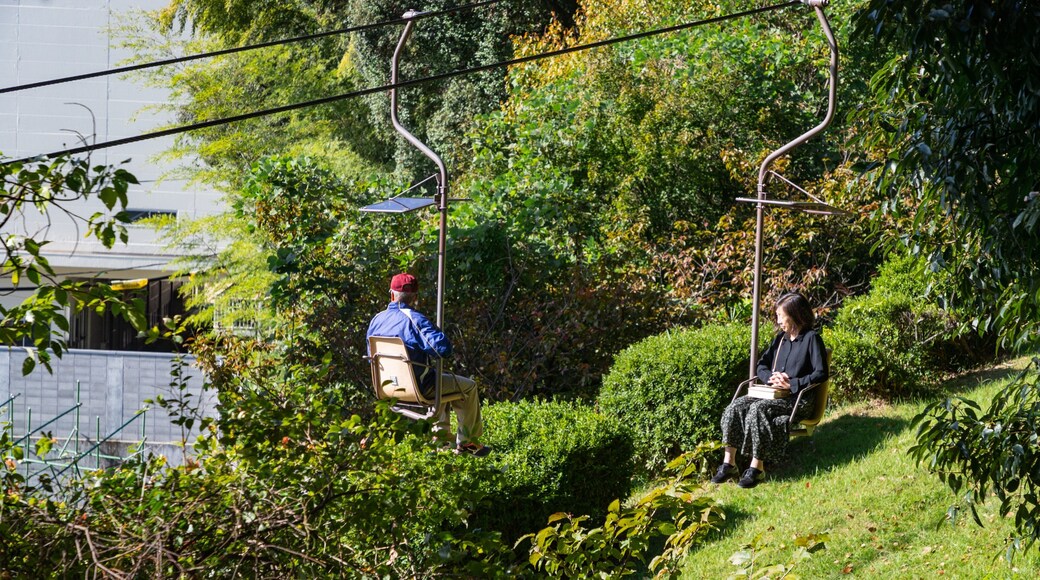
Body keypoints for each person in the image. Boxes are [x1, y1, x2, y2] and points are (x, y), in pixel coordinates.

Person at [712, 292, 828, 488]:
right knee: (735, 407)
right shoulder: (780, 339)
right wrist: (770, 378)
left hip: (797, 400)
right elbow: (761, 366)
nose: (778, 320)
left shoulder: (812, 339)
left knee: (758, 410)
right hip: (773, 394)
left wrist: (792, 383)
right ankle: (729, 464)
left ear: (795, 314)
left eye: (781, 315)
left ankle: (757, 469)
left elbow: (821, 373)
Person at [366, 273, 488, 456]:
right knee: (468, 387)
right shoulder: (414, 319)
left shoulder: (376, 320)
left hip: (386, 388)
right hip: (418, 388)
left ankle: (442, 440)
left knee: (439, 379)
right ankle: (468, 442)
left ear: (391, 294)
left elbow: (371, 356)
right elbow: (442, 349)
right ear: (415, 297)